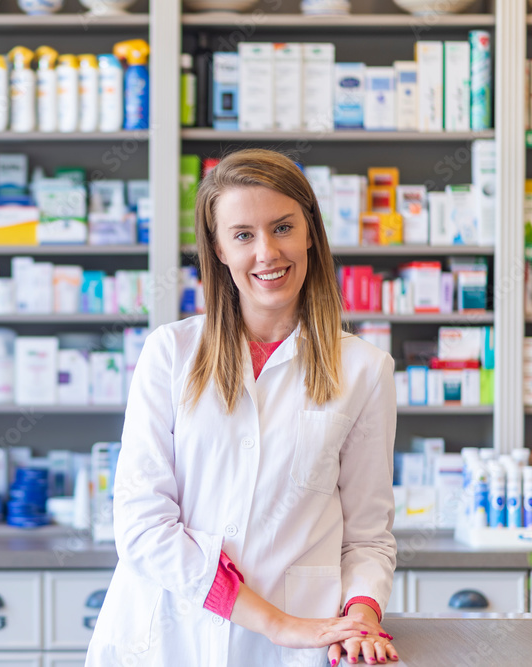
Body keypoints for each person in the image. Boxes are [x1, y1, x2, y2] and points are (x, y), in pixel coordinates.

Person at [86, 149, 398, 666]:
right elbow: (142, 526)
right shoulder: (171, 352)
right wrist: (278, 623)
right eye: (243, 235)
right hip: (169, 639)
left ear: (311, 234)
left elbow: (367, 535)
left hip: (290, 652)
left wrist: (361, 612)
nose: (267, 253)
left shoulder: (364, 369)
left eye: (282, 227)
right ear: (219, 249)